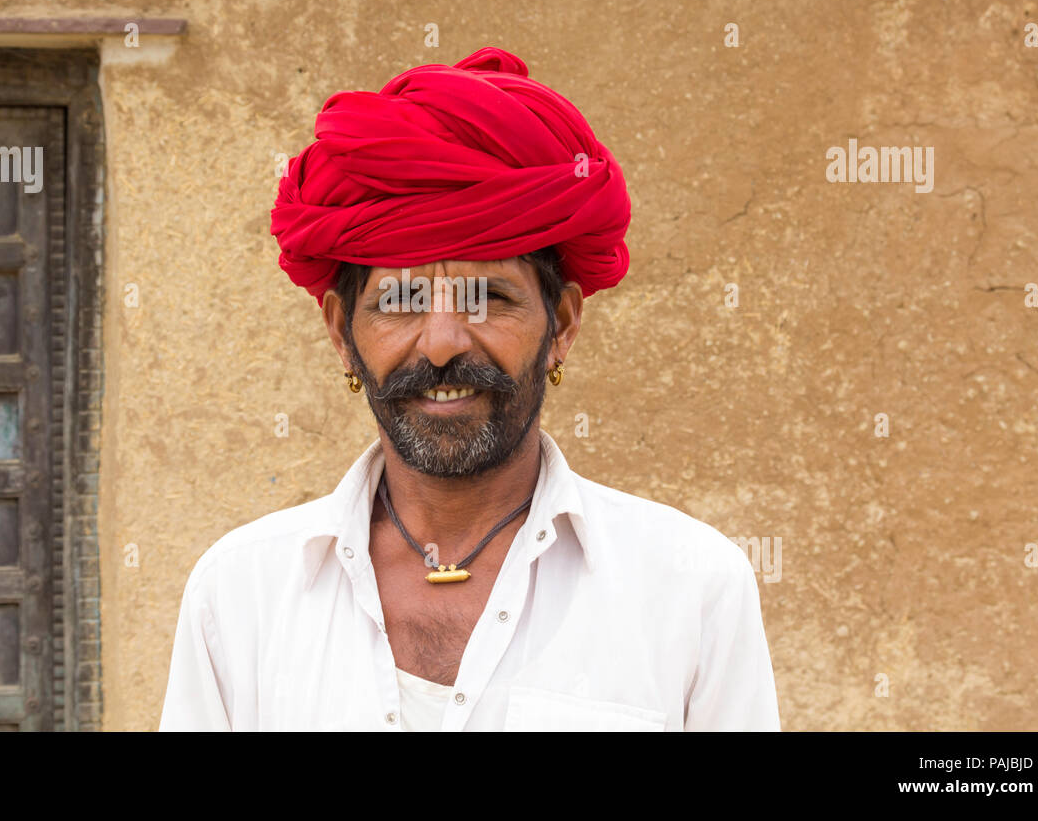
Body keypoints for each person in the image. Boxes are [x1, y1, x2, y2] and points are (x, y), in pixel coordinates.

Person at [159, 47, 780, 730]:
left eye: (487, 296)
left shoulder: (692, 588)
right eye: (401, 300)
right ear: (342, 333)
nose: (443, 342)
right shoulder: (241, 594)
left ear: (563, 325)